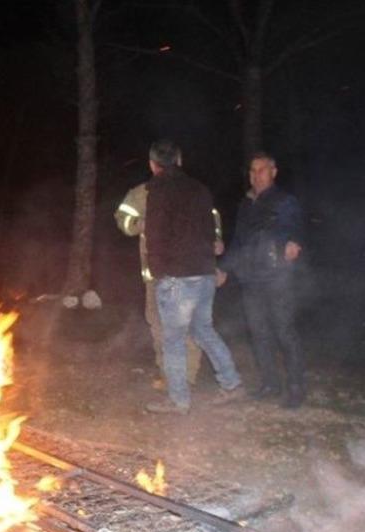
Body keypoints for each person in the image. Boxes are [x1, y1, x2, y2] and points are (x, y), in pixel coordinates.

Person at [141, 139, 242, 414]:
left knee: (173, 339)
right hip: (203, 274)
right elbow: (210, 232)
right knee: (202, 330)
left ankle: (178, 400)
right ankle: (231, 382)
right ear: (180, 161)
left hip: (177, 278)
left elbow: (155, 235)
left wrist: (160, 273)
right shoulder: (200, 189)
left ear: (153, 164)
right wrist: (211, 266)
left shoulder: (159, 190)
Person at [219, 151, 306, 409]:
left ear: (274, 172)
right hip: (250, 278)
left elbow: (296, 226)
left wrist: (294, 241)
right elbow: (238, 241)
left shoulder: (284, 201)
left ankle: (295, 387)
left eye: (262, 170)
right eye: (252, 171)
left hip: (278, 276)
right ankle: (270, 383)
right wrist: (224, 268)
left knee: (284, 331)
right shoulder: (246, 205)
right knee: (259, 333)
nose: (256, 176)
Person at [114, 182, 204, 390]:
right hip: (155, 275)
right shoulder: (142, 193)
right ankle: (167, 374)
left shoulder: (191, 190)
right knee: (157, 323)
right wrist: (140, 224)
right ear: (153, 164)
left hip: (185, 272)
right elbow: (122, 218)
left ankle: (188, 375)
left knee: (185, 324)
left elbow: (210, 218)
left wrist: (214, 242)